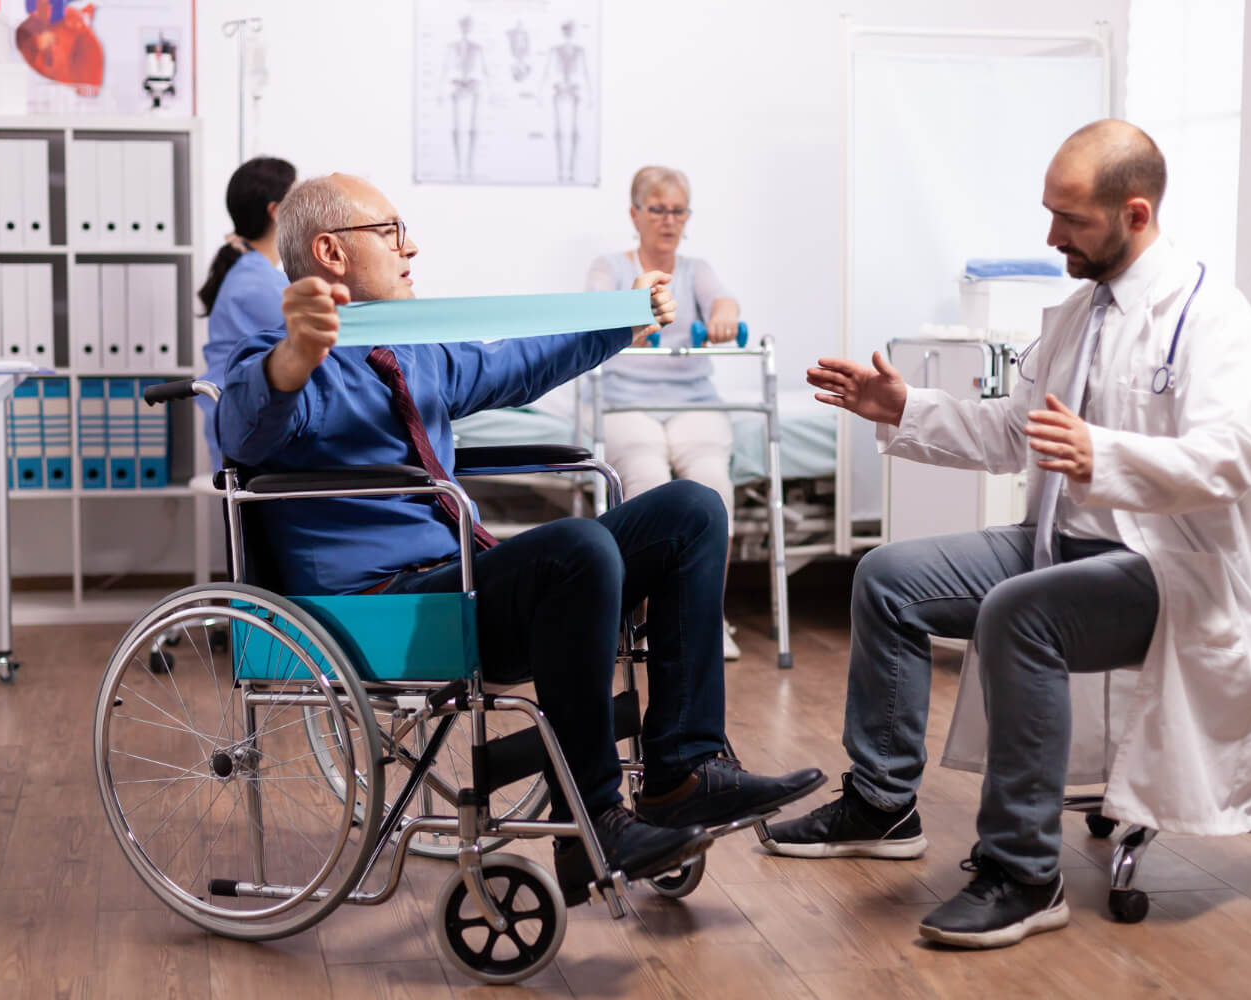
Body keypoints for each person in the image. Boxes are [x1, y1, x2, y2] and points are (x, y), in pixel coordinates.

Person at [215, 173, 825, 903]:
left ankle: (681, 775)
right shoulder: (281, 353)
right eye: (391, 232)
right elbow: (241, 429)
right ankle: (594, 819)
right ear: (331, 252)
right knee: (578, 547)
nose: (412, 247)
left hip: (464, 579)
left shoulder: (414, 347)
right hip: (382, 607)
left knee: (692, 510)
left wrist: (620, 325)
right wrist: (295, 358)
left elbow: (512, 364)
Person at [765, 120, 1251, 949]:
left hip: (1169, 566)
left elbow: (1233, 458)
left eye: (1072, 220)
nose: (1051, 238)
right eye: (1049, 214)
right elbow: (1015, 431)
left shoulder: (1211, 315)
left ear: (1136, 213)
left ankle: (1022, 873)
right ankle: (881, 802)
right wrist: (902, 409)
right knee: (888, 577)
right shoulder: (1078, 312)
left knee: (1023, 611)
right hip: (1064, 543)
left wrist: (1105, 453)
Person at [585, 166, 745, 659]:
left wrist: (723, 316)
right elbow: (594, 312)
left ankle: (705, 619)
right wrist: (632, 311)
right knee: (649, 483)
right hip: (628, 400)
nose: (668, 219)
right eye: (658, 209)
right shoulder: (609, 267)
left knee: (713, 485)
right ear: (636, 214)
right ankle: (650, 622)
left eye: (678, 210)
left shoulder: (696, 270)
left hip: (691, 401)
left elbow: (724, 301)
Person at [196, 156, 297, 471]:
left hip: (245, 424)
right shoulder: (259, 283)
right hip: (247, 432)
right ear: (276, 211)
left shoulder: (254, 272)